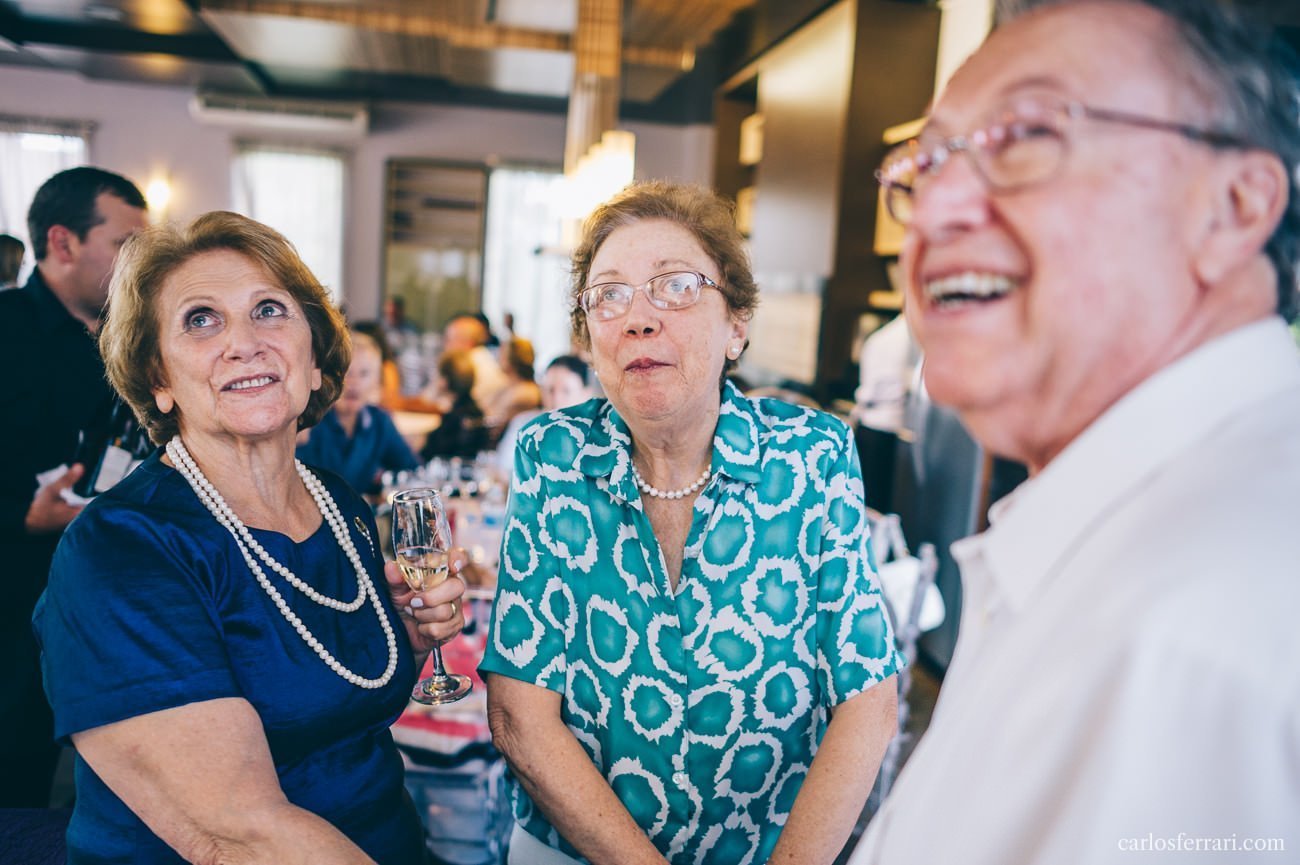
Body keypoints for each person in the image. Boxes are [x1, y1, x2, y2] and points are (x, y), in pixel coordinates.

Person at [852, 1, 1300, 863]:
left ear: (1234, 206)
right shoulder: (1107, 531)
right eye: (926, 162)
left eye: (1024, 133)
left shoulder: (1229, 618)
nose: (936, 204)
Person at [481, 181, 901, 865]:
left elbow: (866, 699)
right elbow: (520, 716)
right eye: (609, 296)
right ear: (590, 341)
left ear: (737, 323)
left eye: (675, 286)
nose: (639, 319)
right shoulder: (551, 456)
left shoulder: (813, 455)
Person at [32, 211, 468, 864]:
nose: (244, 342)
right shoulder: (120, 547)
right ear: (159, 379)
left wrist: (400, 637)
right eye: (200, 319)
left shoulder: (339, 504)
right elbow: (240, 833)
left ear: (315, 360)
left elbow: (329, 713)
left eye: (269, 310)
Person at [0, 167, 148, 808]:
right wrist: (18, 515)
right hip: (12, 602)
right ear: (62, 243)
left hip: (104, 603)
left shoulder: (129, 339)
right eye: (124, 245)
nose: (137, 263)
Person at [296, 330, 420, 496]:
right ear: (328, 378)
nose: (354, 383)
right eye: (345, 373)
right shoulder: (309, 422)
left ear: (376, 381)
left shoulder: (380, 422)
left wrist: (382, 485)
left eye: (364, 374)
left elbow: (413, 470)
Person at [493, 354, 595, 472]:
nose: (556, 399)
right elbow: (502, 471)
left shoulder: (598, 437)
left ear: (587, 394)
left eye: (566, 391)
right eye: (550, 390)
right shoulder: (524, 424)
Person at [421, 349, 491, 461]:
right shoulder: (476, 411)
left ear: (444, 381)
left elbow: (428, 456)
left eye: (437, 374)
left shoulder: (452, 420)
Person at [443, 311, 509, 409]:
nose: (445, 346)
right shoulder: (484, 358)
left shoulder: (464, 367)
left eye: (449, 340)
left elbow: (441, 405)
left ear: (468, 343)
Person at [483, 336, 542, 434]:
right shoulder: (506, 387)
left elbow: (497, 427)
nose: (498, 357)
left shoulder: (525, 393)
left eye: (502, 353)